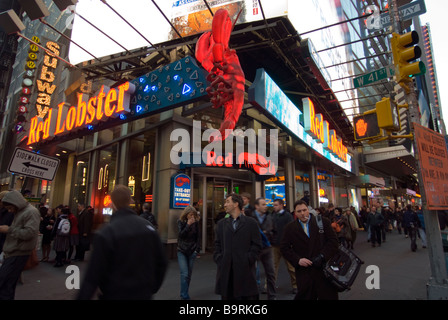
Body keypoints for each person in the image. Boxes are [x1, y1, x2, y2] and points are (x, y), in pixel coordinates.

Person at [77, 185, 167, 300]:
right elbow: (162, 262)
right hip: (143, 295)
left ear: (112, 203)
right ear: (130, 201)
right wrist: (151, 288)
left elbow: (91, 278)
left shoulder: (106, 233)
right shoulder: (148, 228)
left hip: (114, 295)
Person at [280, 200, 339, 300]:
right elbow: (284, 248)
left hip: (324, 270)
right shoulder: (290, 228)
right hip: (304, 272)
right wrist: (297, 260)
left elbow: (333, 242)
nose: (302, 213)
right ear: (295, 213)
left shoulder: (323, 222)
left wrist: (322, 256)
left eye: (304, 210)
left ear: (308, 210)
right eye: (299, 211)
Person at [214, 193, 262, 300]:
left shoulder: (251, 223)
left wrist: (249, 259)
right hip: (226, 272)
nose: (225, 205)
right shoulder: (221, 224)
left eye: (227, 202)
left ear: (236, 204)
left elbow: (257, 245)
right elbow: (217, 245)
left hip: (245, 272)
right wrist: (219, 259)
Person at [0, 190, 40, 300]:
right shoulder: (20, 212)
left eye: (9, 208)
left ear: (15, 203)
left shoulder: (31, 212)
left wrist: (9, 229)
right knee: (7, 285)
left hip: (18, 253)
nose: (9, 211)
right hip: (13, 252)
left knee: (4, 284)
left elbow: (30, 233)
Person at [252, 197, 276, 300]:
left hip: (267, 248)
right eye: (263, 204)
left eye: (265, 204)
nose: (265, 206)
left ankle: (272, 296)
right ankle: (253, 295)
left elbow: (274, 230)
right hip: (255, 249)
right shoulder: (251, 217)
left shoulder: (269, 217)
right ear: (257, 206)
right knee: (252, 273)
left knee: (270, 272)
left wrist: (269, 235)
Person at [271, 198, 296, 294]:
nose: (274, 207)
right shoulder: (273, 215)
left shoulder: (287, 216)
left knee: (291, 267)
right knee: (272, 266)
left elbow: (291, 229)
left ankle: (296, 285)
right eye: (274, 205)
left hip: (286, 245)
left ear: (281, 205)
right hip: (275, 244)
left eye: (276, 205)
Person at [177, 205, 201, 300]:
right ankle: (184, 296)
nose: (192, 217)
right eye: (190, 215)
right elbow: (181, 235)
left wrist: (197, 250)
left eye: (193, 215)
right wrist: (188, 225)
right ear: (186, 215)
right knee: (185, 273)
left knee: (189, 274)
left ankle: (185, 292)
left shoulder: (196, 223)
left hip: (192, 250)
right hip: (182, 250)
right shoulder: (181, 222)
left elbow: (198, 237)